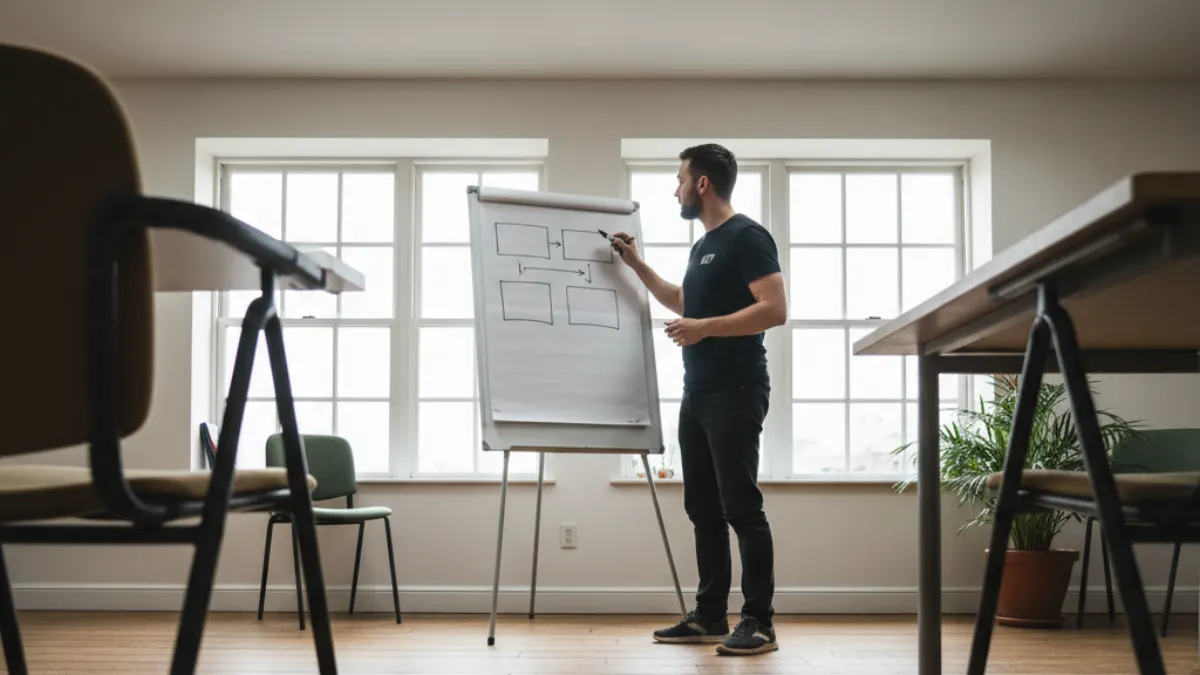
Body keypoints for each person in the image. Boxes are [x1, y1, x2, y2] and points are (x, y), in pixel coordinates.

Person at [609, 143, 787, 656]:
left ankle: (759, 621)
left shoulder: (747, 237)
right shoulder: (703, 246)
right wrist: (635, 263)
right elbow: (683, 303)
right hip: (698, 392)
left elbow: (774, 309)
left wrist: (703, 329)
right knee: (702, 508)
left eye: (681, 178)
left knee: (741, 508)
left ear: (702, 184)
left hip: (736, 389)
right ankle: (711, 614)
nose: (676, 188)